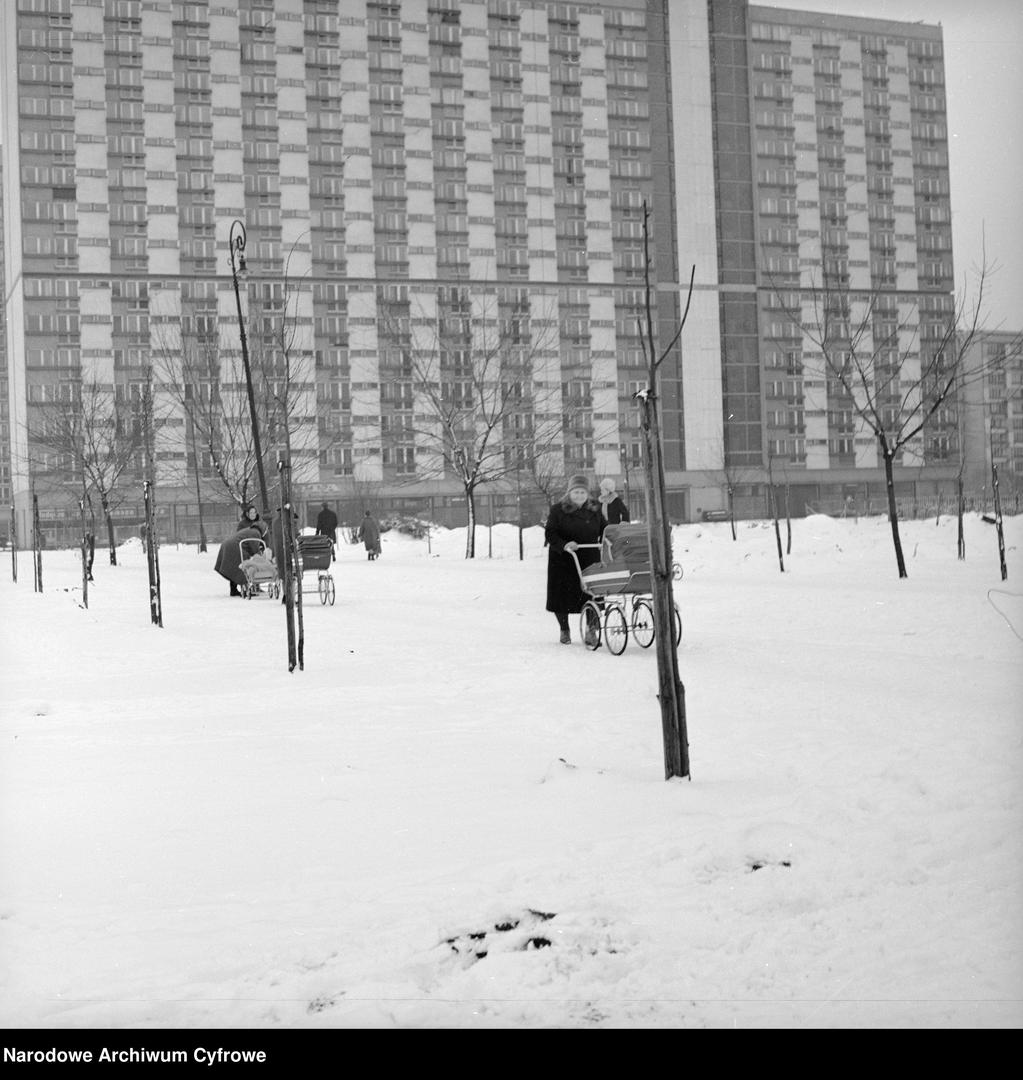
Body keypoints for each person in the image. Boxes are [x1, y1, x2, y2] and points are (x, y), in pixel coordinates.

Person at [544, 474, 604, 645]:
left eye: (582, 492)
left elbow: (604, 528)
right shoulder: (558, 510)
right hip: (564, 559)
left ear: (588, 494)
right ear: (569, 493)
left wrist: (614, 534)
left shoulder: (595, 509)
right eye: (576, 492)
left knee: (592, 594)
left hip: (589, 556)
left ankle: (591, 631)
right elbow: (550, 533)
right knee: (562, 597)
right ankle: (564, 629)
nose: (579, 496)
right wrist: (565, 544)